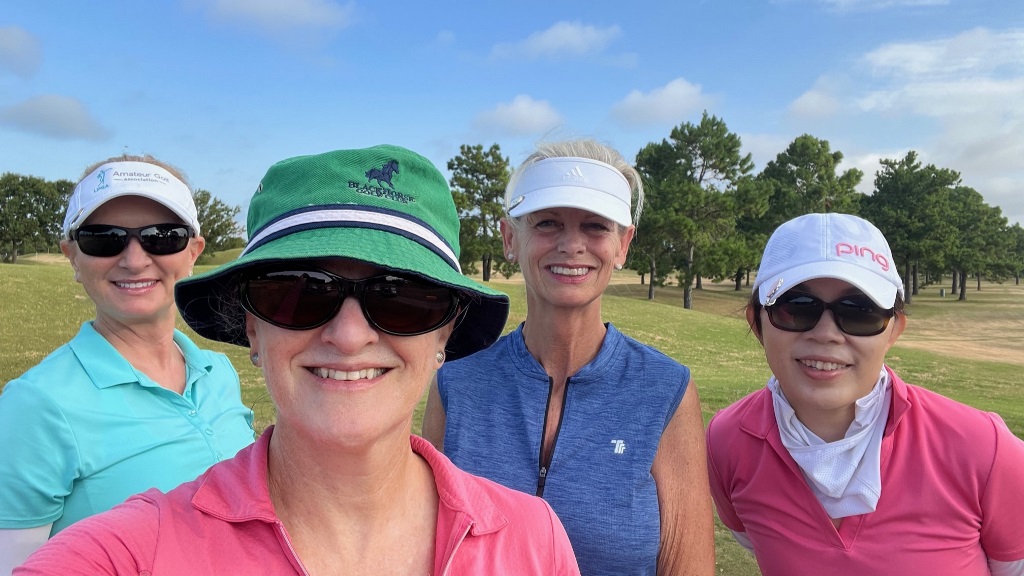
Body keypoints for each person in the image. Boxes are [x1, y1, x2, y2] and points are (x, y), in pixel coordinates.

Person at [15, 145, 581, 575]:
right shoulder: (129, 553)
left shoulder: (534, 543)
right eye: (300, 292)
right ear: (252, 327)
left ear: (445, 334)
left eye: (403, 298)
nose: (349, 334)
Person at [422, 139, 716, 576]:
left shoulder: (665, 390)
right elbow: (430, 550)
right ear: (510, 238)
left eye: (596, 226)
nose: (572, 245)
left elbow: (687, 566)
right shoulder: (457, 386)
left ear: (623, 245)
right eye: (548, 223)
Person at [706, 213, 1024, 575]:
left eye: (860, 312)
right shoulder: (726, 442)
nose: (826, 334)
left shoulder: (983, 448)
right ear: (757, 322)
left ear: (892, 331)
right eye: (796, 308)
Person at [0, 155, 255, 573]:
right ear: (72, 257)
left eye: (162, 236)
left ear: (194, 251)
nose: (134, 260)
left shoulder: (218, 373)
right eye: (104, 238)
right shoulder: (35, 405)